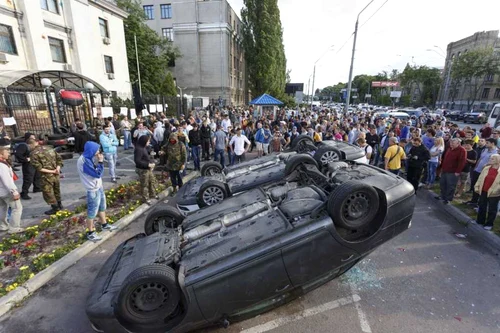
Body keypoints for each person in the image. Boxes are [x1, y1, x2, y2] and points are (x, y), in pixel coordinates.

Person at [77, 141, 117, 241]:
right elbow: (97, 174)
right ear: (91, 150)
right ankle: (90, 232)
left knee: (102, 207)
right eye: (97, 150)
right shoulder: (84, 161)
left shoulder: (88, 158)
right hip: (93, 190)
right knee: (92, 212)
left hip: (98, 187)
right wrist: (100, 162)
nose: (98, 151)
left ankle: (104, 224)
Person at [29, 138, 64, 215]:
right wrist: (57, 169)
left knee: (48, 192)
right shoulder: (49, 148)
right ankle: (60, 204)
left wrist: (52, 171)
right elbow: (59, 159)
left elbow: (39, 168)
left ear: (30, 144)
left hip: (46, 176)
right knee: (56, 189)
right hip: (56, 174)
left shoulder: (33, 154)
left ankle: (55, 208)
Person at [465, 138, 498, 206]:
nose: (486, 144)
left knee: (482, 187)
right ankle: (473, 201)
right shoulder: (485, 150)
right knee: (475, 185)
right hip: (477, 170)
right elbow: (480, 159)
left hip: (485, 172)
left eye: (488, 142)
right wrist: (476, 167)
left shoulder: (496, 152)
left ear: (492, 143)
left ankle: (479, 203)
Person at [472, 154, 500, 231]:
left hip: (494, 193)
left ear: (498, 161)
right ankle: (480, 221)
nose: (490, 160)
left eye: (492, 159)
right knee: (482, 206)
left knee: (492, 209)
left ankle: (489, 224)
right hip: (484, 190)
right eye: (490, 158)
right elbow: (480, 178)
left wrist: (495, 191)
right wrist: (477, 186)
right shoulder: (486, 168)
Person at [435, 138, 467, 204]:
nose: (451, 144)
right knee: (443, 183)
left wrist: (458, 171)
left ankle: (448, 198)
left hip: (453, 171)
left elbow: (462, 162)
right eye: (451, 143)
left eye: (453, 143)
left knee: (450, 185)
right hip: (445, 169)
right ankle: (442, 196)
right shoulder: (449, 148)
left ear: (458, 144)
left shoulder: (462, 150)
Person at [0, 146, 23, 233]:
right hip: (6, 191)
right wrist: (14, 191)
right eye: (7, 152)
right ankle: (14, 228)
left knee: (2, 208)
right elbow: (7, 180)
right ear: (1, 154)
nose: (9, 154)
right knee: (17, 208)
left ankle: (3, 226)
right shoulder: (2, 165)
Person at [14, 132, 41, 200]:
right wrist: (25, 159)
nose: (34, 139)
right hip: (28, 164)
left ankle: (37, 188)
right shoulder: (23, 145)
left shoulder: (34, 144)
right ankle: (24, 193)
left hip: (35, 162)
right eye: (32, 138)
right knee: (28, 179)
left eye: (34, 138)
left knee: (37, 175)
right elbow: (18, 154)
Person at [134, 135, 158, 205]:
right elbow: (137, 161)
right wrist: (148, 165)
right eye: (148, 141)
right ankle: (145, 198)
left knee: (152, 181)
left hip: (147, 169)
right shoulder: (139, 149)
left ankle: (153, 194)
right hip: (143, 170)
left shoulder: (143, 147)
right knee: (145, 184)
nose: (149, 142)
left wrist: (151, 162)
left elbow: (147, 157)